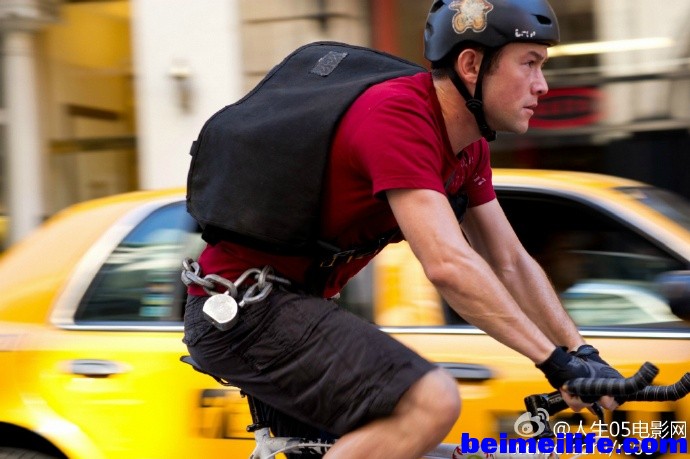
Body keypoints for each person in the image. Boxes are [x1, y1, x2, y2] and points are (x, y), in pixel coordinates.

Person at [182, 1, 624, 458]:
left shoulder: (468, 148)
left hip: (297, 306)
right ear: (472, 65)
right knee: (430, 402)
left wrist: (583, 355)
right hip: (246, 310)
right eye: (529, 64)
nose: (542, 84)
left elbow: (509, 260)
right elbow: (448, 264)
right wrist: (553, 362)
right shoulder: (397, 115)